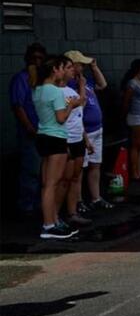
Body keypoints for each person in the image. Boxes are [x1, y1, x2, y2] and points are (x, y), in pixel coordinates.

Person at [34, 56, 84, 239]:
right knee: (52, 184)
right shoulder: (55, 92)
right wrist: (70, 106)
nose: (64, 72)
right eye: (63, 68)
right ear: (55, 69)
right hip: (56, 137)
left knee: (47, 183)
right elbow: (61, 118)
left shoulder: (38, 90)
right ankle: (49, 225)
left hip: (43, 135)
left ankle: (51, 221)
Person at [67, 50, 112, 214]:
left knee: (95, 165)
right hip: (83, 130)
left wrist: (94, 67)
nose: (83, 67)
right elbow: (78, 108)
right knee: (79, 169)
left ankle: (96, 198)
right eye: (81, 64)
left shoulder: (85, 81)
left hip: (97, 128)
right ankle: (78, 201)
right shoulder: (69, 84)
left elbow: (103, 84)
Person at [10, 42, 47, 219]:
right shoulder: (21, 79)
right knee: (31, 169)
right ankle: (26, 206)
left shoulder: (42, 80)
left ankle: (39, 204)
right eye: (34, 58)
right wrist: (29, 128)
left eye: (41, 58)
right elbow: (18, 106)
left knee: (43, 171)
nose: (37, 62)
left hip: (45, 131)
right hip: (31, 132)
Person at [60, 61, 91, 229]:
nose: (73, 70)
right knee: (63, 180)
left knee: (75, 178)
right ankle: (56, 216)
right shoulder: (57, 92)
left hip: (77, 137)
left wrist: (82, 86)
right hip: (66, 139)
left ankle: (73, 213)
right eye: (69, 67)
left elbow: (81, 106)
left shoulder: (71, 90)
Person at [121, 59, 140, 181]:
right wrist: (125, 113)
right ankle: (134, 172)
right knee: (136, 145)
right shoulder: (132, 83)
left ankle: (139, 170)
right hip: (136, 117)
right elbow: (126, 101)